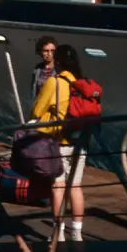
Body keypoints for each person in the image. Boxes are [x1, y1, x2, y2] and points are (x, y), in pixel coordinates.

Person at [31, 43, 87, 241]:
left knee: (58, 186)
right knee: (76, 186)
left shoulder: (55, 82)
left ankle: (58, 232)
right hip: (79, 143)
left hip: (59, 142)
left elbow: (36, 111)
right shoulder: (81, 82)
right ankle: (78, 232)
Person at [31, 36, 59, 101]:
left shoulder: (60, 69)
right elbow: (34, 89)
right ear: (40, 52)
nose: (49, 54)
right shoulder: (38, 69)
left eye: (52, 51)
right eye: (46, 51)